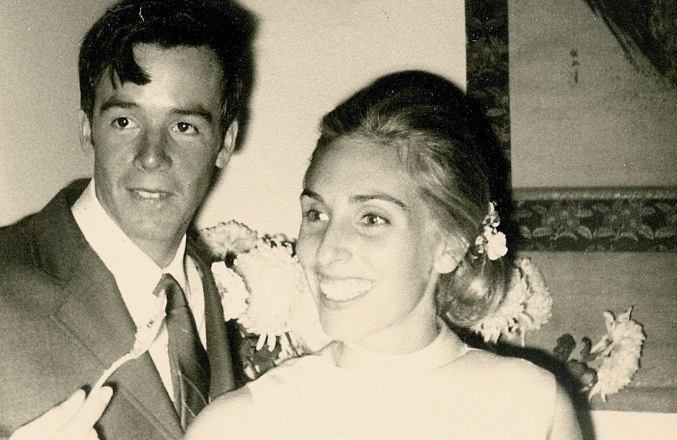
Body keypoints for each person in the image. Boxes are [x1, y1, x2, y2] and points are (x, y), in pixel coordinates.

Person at [185, 71, 583, 440]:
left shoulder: (532, 405)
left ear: (450, 244)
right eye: (316, 215)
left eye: (372, 219)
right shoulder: (240, 425)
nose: (326, 250)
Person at [0, 0, 255, 440]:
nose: (151, 156)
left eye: (184, 126)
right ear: (87, 128)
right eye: (125, 121)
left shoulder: (205, 289)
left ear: (225, 142)